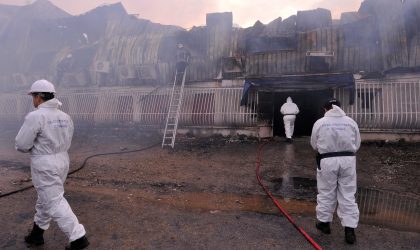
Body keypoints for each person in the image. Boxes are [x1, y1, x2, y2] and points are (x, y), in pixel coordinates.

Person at [15, 79, 89, 250]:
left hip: (45, 163)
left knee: (53, 201)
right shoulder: (65, 117)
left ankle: (78, 237)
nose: (33, 100)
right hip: (62, 160)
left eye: (33, 96)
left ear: (39, 97)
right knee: (46, 198)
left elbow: (22, 145)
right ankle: (37, 234)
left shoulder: (36, 116)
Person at [310, 98, 361, 244]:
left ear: (326, 109)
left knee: (326, 191)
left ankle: (324, 224)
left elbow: (314, 144)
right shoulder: (351, 122)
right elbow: (357, 143)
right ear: (339, 107)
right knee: (348, 194)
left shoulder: (320, 123)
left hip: (327, 160)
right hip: (348, 160)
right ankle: (350, 230)